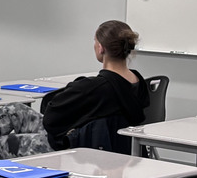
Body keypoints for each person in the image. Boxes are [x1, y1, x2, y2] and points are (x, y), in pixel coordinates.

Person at [41, 19, 149, 150]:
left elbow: (50, 118)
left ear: (100, 48)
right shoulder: (140, 83)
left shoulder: (93, 87)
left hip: (80, 149)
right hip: (124, 149)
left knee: (11, 126)